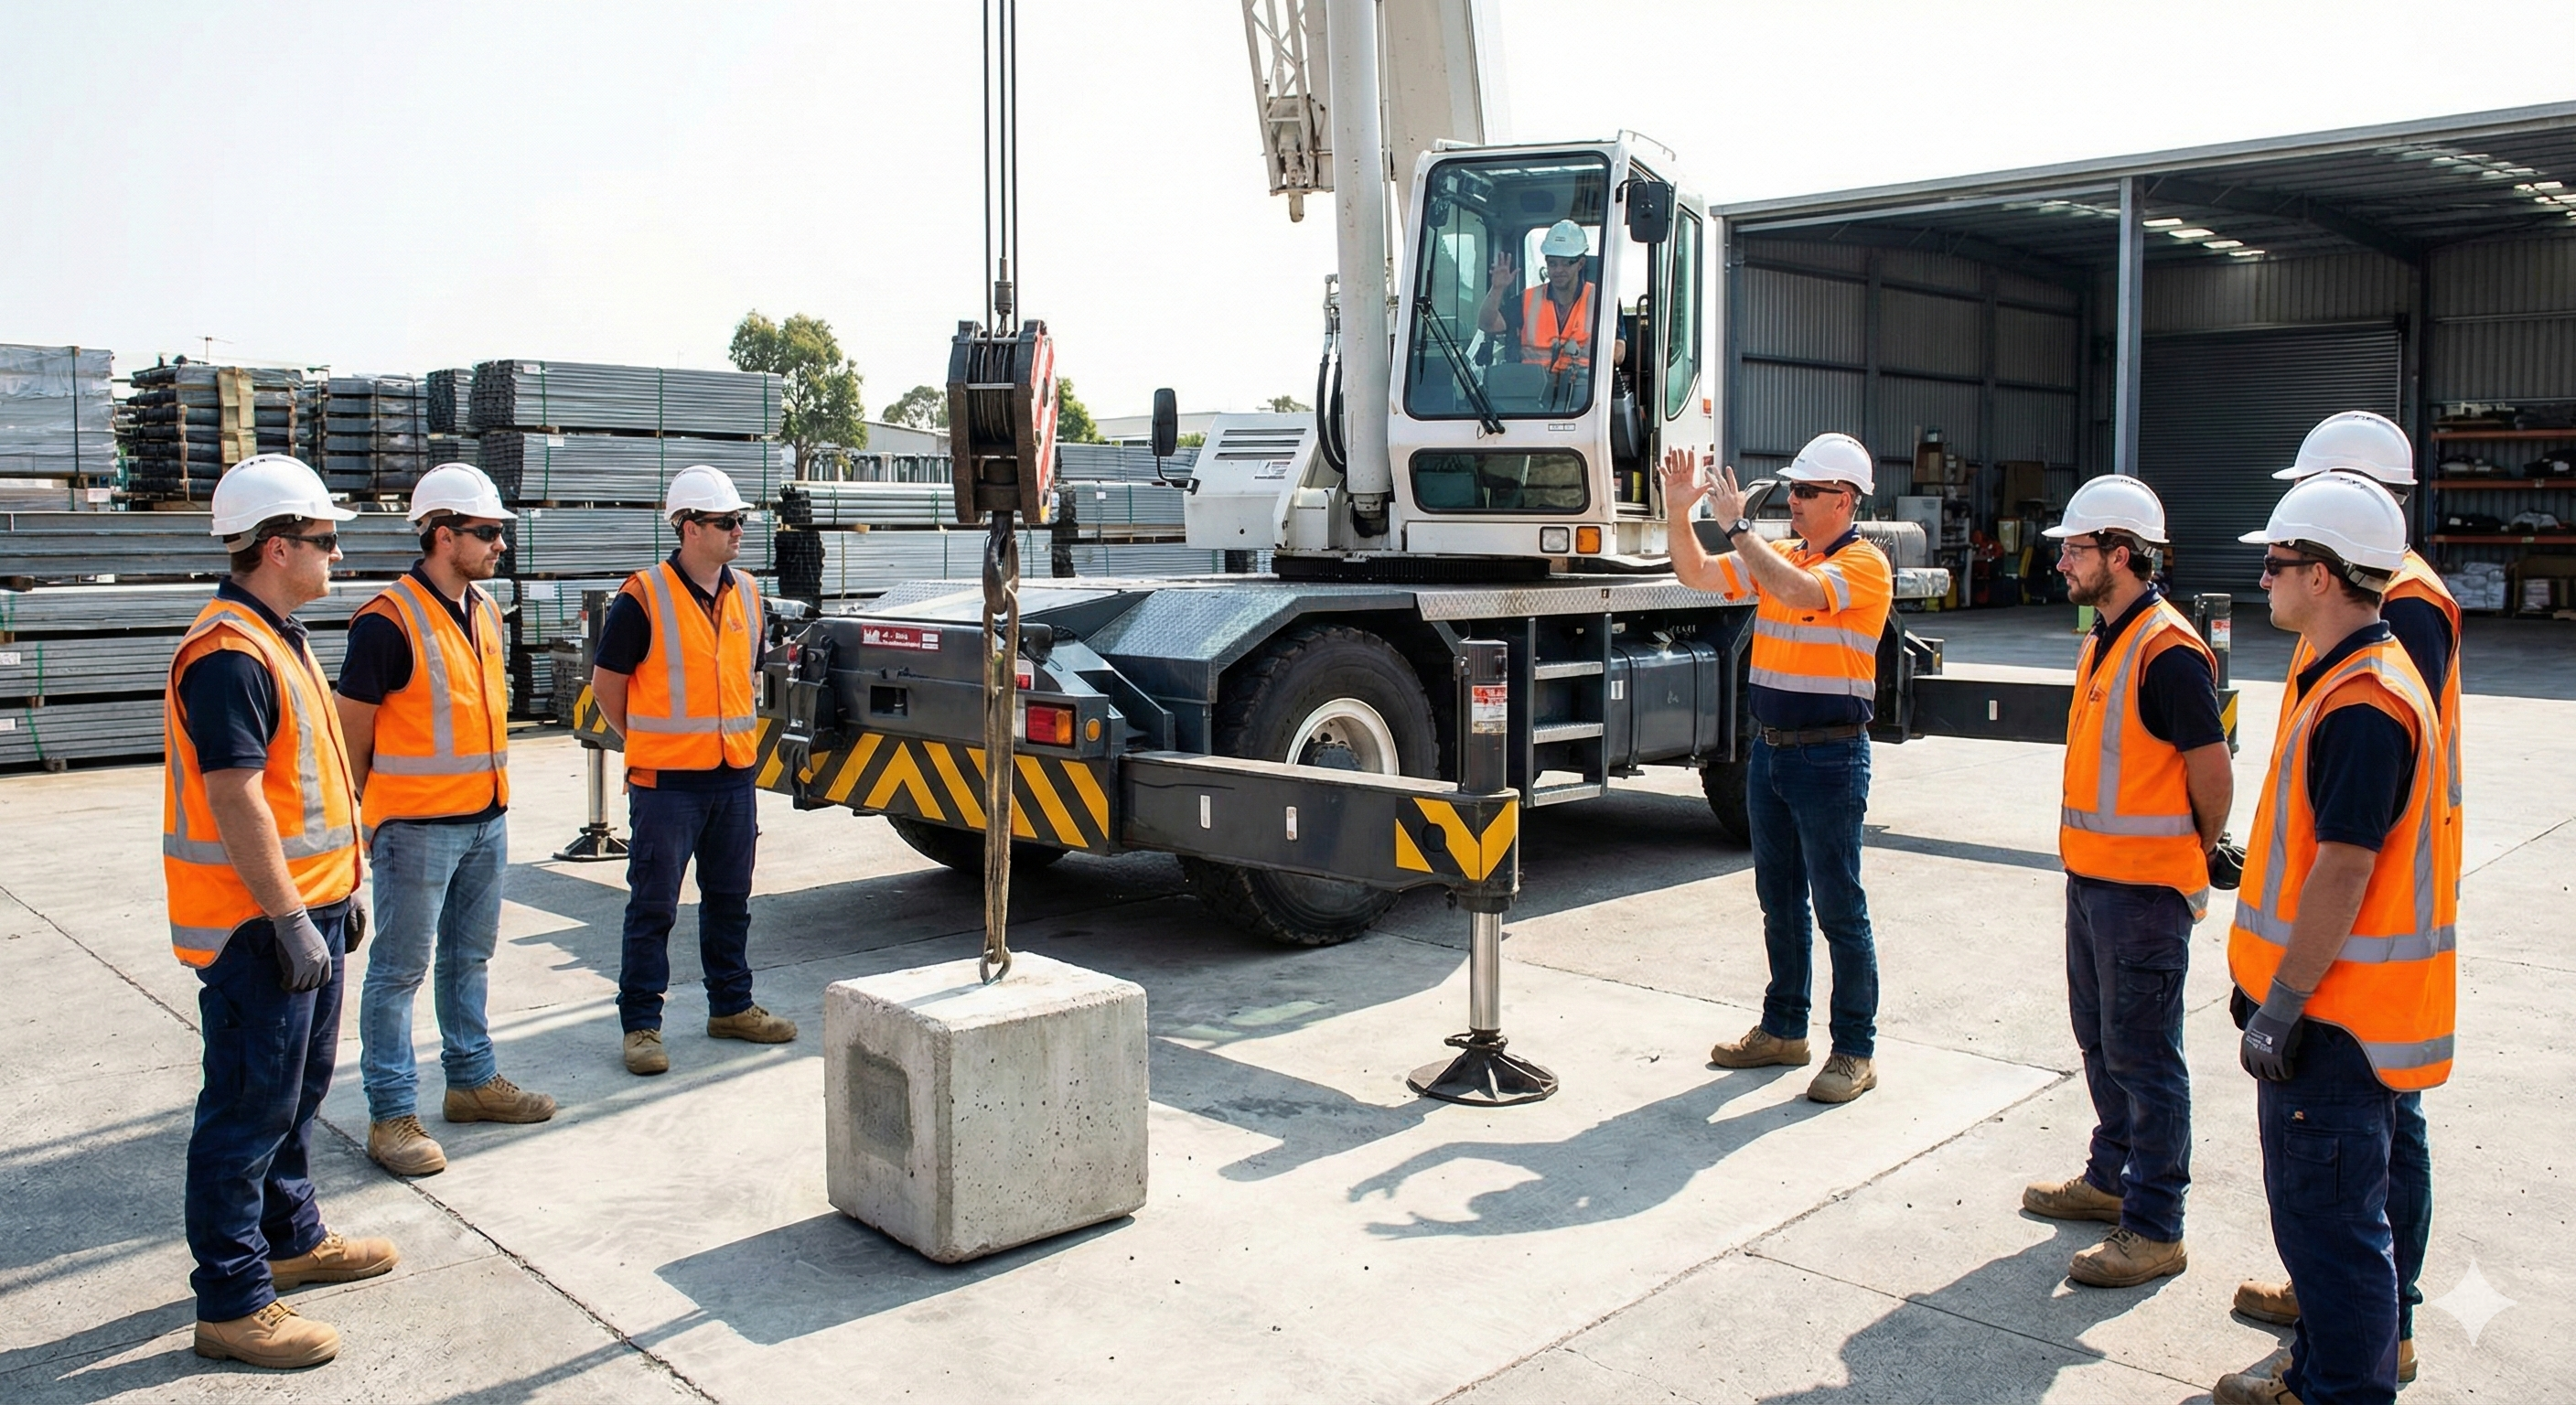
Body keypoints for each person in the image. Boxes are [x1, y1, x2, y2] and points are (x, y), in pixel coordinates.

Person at [2211, 471, 2457, 1405]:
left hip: (2333, 1025)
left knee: (2335, 1237)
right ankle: (2316, 1373)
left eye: (2272, 564)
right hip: (2343, 1018)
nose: (2261, 580)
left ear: (2320, 575)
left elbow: (2342, 871)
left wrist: (2279, 1008)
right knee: (2325, 1232)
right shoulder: (2347, 677)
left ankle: (2340, 1390)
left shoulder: (2362, 702)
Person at [164, 454, 397, 1368]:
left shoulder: (277, 633)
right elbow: (237, 799)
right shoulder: (229, 653)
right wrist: (293, 917)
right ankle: (231, 1301)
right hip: (256, 926)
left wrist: (336, 896)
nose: (336, 556)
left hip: (307, 911)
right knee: (245, 1111)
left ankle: (290, 1242)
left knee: (294, 1100)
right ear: (275, 547)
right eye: (324, 540)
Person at [2017, 475, 2232, 1290]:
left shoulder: (2169, 650)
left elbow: (2212, 779)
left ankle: (2156, 1226)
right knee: (2102, 1043)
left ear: (2121, 554)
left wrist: (2187, 851)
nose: (2062, 563)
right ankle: (2111, 1182)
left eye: (2075, 549)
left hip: (2143, 894)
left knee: (2146, 1058)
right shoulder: (2103, 635)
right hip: (2093, 882)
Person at [335, 463, 555, 1178]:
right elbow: (352, 737)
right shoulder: (385, 622)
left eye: (499, 533)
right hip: (417, 830)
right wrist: (377, 815)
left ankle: (470, 1081)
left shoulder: (485, 610)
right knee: (398, 973)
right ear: (440, 534)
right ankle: (392, 1114)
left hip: (486, 821)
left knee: (471, 960)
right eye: (486, 533)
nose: (499, 545)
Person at [1658, 432, 1894, 1103]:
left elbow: (1797, 590)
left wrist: (1737, 526)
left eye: (1807, 491)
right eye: (1792, 489)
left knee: (1840, 909)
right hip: (1773, 751)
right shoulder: (1782, 551)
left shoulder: (1864, 566)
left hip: (1830, 755)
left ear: (1844, 500)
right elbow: (1696, 575)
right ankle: (1785, 1029)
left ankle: (1854, 1049)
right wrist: (1681, 513)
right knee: (1779, 902)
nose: (1792, 500)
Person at [589, 464, 797, 1076]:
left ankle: (730, 1006)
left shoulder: (749, 593)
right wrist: (651, 741)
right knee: (654, 907)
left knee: (730, 899)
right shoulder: (643, 597)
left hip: (733, 777)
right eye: (726, 522)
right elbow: (607, 687)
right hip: (667, 784)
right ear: (688, 528)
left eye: (741, 520)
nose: (739, 530)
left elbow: (746, 675)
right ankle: (642, 1026)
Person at [1476, 218, 1625, 379]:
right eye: (1552, 263)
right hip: (1531, 392)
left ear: (1580, 264)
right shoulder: (1527, 300)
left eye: (1566, 263)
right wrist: (1497, 289)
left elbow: (1619, 350)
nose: (1558, 270)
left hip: (1584, 395)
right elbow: (1487, 324)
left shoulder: (1603, 300)